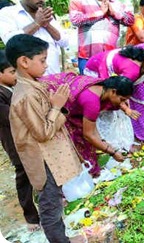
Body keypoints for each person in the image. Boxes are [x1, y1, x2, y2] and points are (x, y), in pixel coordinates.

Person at [6, 34, 84, 242]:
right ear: (24, 61)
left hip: (50, 157)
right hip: (42, 160)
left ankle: (63, 239)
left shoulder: (33, 85)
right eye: (42, 60)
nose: (46, 65)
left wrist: (55, 106)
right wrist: (57, 106)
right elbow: (43, 132)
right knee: (50, 207)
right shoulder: (26, 95)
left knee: (55, 201)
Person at [40, 73, 134, 177]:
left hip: (64, 103)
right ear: (113, 91)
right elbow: (89, 135)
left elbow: (92, 128)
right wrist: (112, 152)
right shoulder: (92, 101)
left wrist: (105, 144)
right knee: (74, 144)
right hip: (50, 102)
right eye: (122, 99)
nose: (123, 103)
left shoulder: (101, 88)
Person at [83, 44, 144, 151]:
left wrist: (124, 107)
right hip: (97, 68)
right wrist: (126, 109)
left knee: (118, 107)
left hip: (112, 74)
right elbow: (117, 93)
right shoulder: (132, 71)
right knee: (107, 105)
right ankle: (104, 143)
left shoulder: (143, 65)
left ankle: (115, 143)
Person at [0, 50, 40, 232]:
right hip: (16, 143)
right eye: (12, 72)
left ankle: (46, 199)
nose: (16, 75)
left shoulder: (14, 87)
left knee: (39, 168)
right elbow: (12, 117)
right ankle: (31, 216)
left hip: (30, 138)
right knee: (24, 176)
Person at [0, 0, 68, 75]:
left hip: (54, 76)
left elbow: (65, 42)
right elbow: (10, 42)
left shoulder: (46, 14)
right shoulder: (7, 13)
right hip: (30, 83)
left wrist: (47, 25)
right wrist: (37, 23)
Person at [69, 0, 134, 75]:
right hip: (87, 57)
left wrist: (114, 13)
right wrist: (100, 13)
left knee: (109, 88)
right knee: (89, 88)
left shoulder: (115, 2)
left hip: (110, 57)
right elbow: (75, 20)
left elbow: (130, 20)